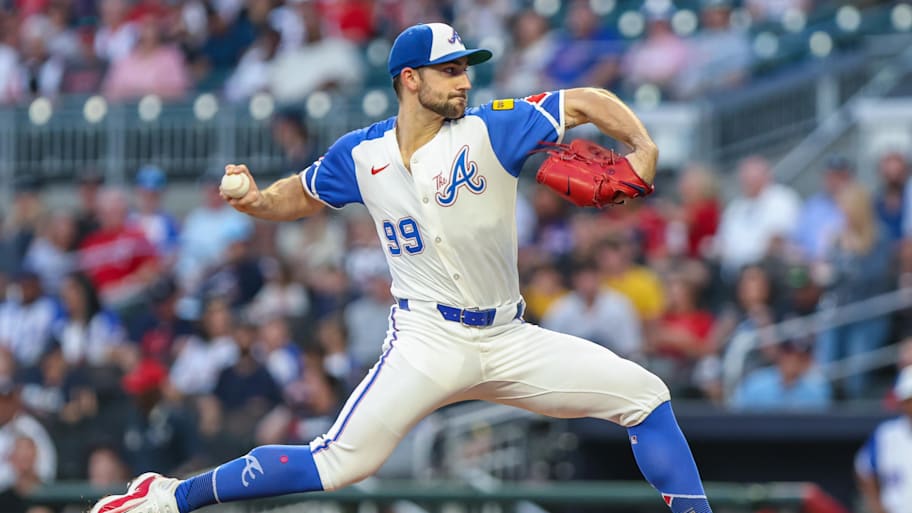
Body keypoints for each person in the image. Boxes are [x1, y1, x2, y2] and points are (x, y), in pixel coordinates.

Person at [90, 23, 714, 513]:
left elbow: (585, 100)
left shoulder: (493, 129)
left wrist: (642, 145)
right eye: (451, 70)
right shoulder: (362, 154)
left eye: (467, 68)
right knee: (339, 464)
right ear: (410, 79)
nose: (465, 80)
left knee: (645, 397)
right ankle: (169, 497)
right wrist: (256, 201)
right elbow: (301, 194)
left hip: (508, 336)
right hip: (428, 339)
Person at [855, 366, 912, 513]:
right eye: (909, 399)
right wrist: (876, 507)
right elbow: (864, 469)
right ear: (901, 401)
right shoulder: (886, 434)